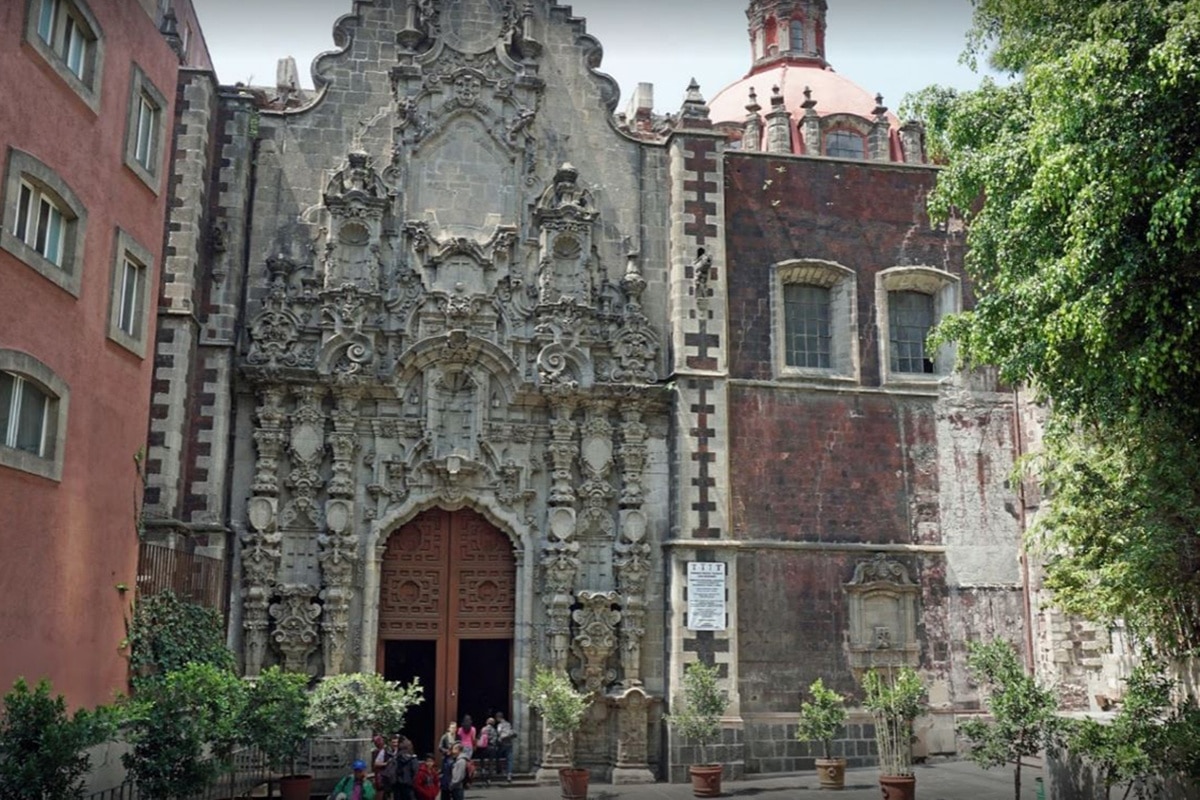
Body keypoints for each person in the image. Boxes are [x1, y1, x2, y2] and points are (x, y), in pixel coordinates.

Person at [494, 711, 516, 782]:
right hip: (509, 743)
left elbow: (499, 732)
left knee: (498, 756)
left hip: (502, 744)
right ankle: (509, 774)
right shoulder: (508, 724)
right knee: (509, 759)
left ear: (498, 718)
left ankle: (499, 770)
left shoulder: (500, 725)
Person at [476, 717, 497, 784]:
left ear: (487, 722)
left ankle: (482, 771)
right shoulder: (494, 730)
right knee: (491, 762)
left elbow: (479, 737)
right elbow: (495, 739)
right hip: (491, 748)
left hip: (484, 747)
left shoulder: (483, 729)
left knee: (482, 759)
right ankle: (489, 778)